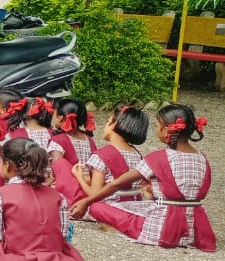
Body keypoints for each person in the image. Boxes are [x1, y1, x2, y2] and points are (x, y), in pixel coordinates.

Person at [72, 103, 215, 251]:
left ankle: (119, 229)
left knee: (97, 207)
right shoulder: (203, 159)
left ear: (166, 130)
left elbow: (116, 184)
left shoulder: (158, 158)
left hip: (162, 230)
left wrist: (86, 202)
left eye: (157, 127)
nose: (156, 131)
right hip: (194, 230)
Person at [71, 104, 147, 204]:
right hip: (135, 207)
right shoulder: (137, 154)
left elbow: (94, 196)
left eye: (107, 121)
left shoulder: (101, 156)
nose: (105, 125)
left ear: (113, 124)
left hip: (111, 209)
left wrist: (79, 177)